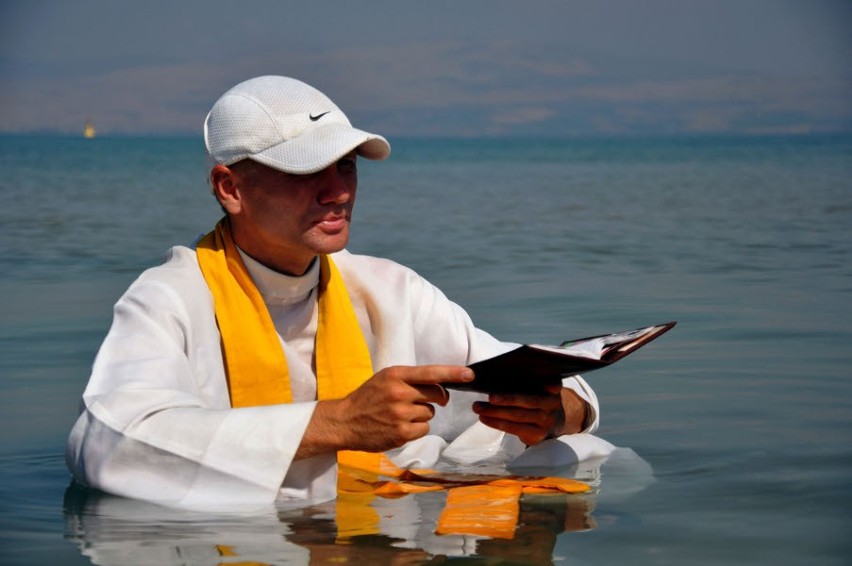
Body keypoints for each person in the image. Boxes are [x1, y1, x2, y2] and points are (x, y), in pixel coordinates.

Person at [66, 75, 600, 510]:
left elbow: (542, 375)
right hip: (236, 536)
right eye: (306, 169)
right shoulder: (170, 297)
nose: (338, 190)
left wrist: (557, 413)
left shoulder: (390, 289)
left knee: (583, 452)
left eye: (346, 164)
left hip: (385, 523)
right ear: (230, 188)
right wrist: (335, 423)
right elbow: (110, 445)